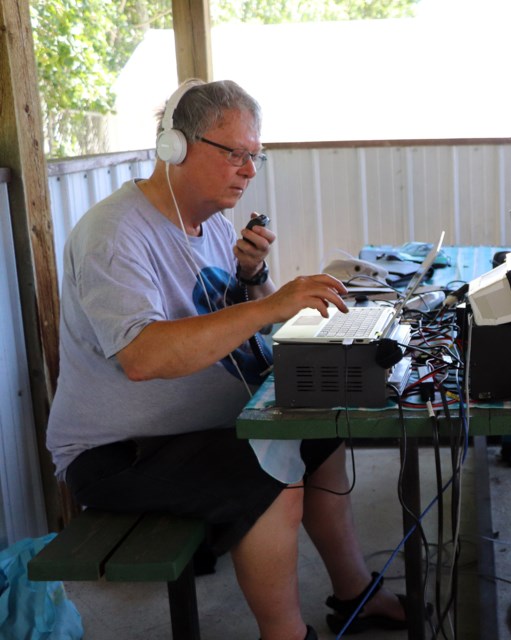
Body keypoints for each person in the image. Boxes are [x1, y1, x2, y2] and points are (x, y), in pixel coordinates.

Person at [46, 79, 409, 640]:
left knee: (323, 434)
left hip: (205, 424)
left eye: (254, 156)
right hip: (119, 454)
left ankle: (355, 593)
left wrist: (254, 279)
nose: (248, 169)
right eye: (234, 153)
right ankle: (286, 634)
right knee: (270, 473)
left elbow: (241, 323)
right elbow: (143, 357)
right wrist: (274, 306)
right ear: (176, 146)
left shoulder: (212, 222)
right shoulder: (113, 235)